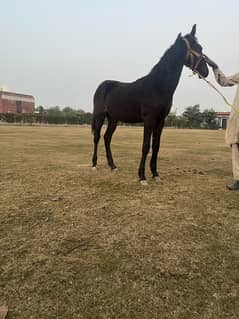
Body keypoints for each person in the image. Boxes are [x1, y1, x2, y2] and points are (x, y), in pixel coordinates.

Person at [205, 56, 239, 190]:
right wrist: (215, 67)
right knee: (236, 146)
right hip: (238, 120)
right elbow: (224, 81)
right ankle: (238, 179)